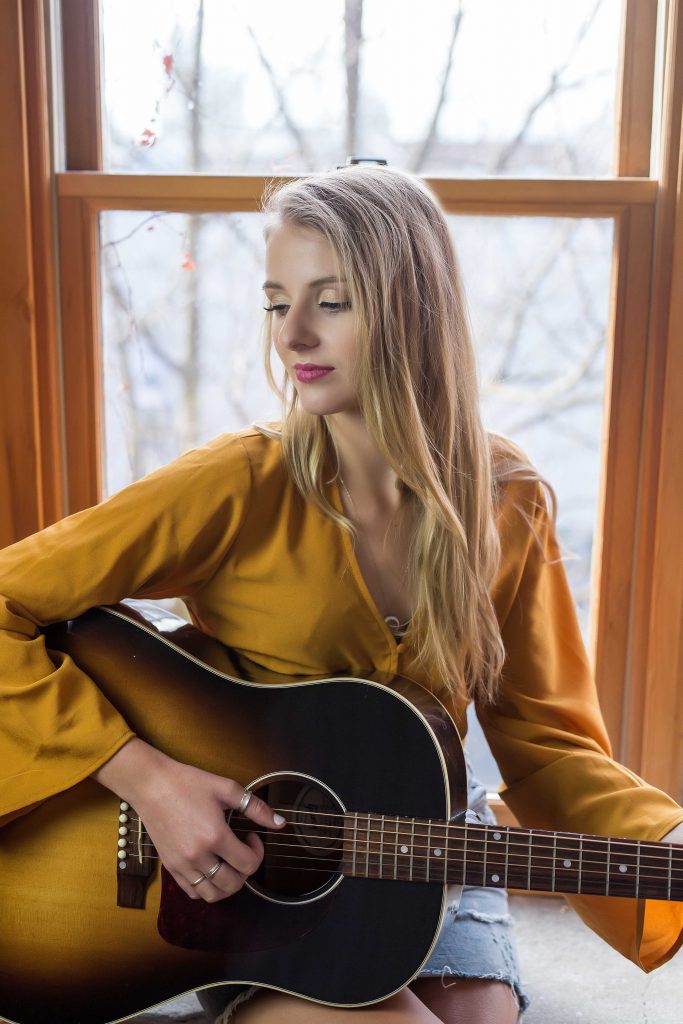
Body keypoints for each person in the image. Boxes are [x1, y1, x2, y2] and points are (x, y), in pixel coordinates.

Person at [1, 165, 682, 1024]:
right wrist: (149, 780)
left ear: (412, 309)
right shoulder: (234, 484)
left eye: (331, 300)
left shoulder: (510, 501)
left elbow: (545, 746)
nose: (291, 334)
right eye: (274, 300)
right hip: (246, 877)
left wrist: (667, 843)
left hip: (431, 849)